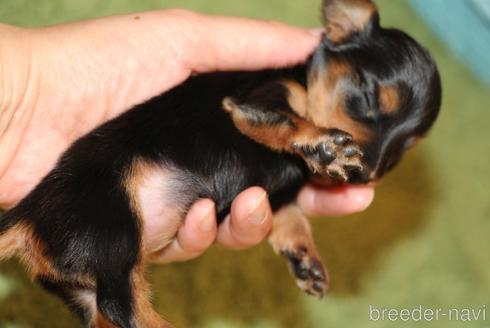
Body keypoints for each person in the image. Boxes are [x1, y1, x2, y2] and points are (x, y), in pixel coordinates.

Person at [0, 10, 374, 263]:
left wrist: (292, 223)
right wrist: (29, 87)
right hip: (138, 152)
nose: (372, 155)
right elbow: (253, 115)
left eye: (403, 147)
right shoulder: (282, 85)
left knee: (260, 203)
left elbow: (272, 186)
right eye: (368, 100)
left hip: (140, 186)